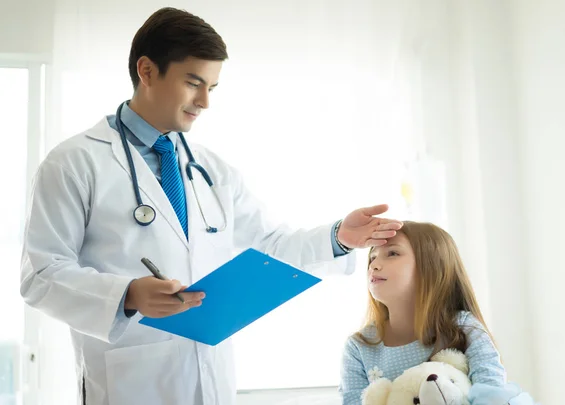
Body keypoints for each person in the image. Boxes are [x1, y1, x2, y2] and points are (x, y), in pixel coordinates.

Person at [19, 7, 402, 405]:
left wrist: (337, 238)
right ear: (147, 71)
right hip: (129, 382)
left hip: (211, 375)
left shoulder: (212, 169)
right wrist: (128, 294)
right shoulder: (74, 163)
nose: (204, 101)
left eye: (212, 88)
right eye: (193, 83)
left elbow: (269, 243)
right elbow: (41, 275)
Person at [339, 221, 506, 404]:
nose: (374, 265)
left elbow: (492, 394)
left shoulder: (465, 328)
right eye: (373, 257)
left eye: (392, 253)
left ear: (432, 265)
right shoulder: (358, 348)